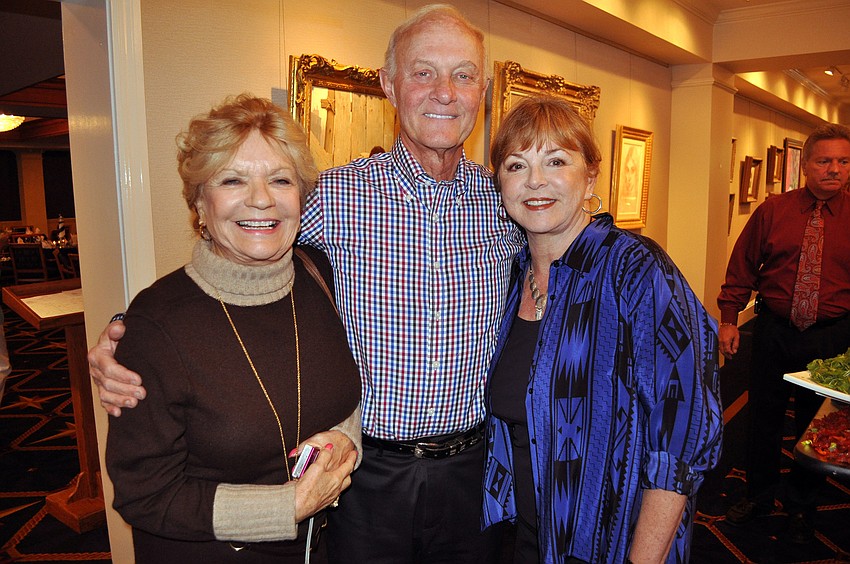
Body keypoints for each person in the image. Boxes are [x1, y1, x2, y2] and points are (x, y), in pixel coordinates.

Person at [90, 5, 523, 562]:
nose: (445, 91)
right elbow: (233, 257)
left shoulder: (503, 203)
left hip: (475, 470)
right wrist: (124, 335)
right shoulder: (330, 196)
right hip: (361, 475)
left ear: (481, 92)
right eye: (423, 72)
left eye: (463, 75)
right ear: (389, 85)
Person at [104, 94, 362, 563]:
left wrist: (347, 440)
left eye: (280, 180)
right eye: (232, 179)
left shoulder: (320, 276)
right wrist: (287, 506)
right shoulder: (155, 324)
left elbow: (352, 391)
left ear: (301, 198)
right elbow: (142, 493)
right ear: (200, 202)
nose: (261, 199)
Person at [483, 96, 723, 563]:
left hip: (614, 543)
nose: (535, 181)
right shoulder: (509, 279)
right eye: (517, 165)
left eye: (556, 160)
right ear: (500, 182)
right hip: (529, 536)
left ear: (591, 173)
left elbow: (684, 435)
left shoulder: (635, 271)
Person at [717, 123, 850, 543]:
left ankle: (801, 503)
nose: (834, 169)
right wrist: (728, 318)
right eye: (824, 161)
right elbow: (742, 266)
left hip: (831, 338)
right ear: (806, 165)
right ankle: (758, 495)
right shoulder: (773, 210)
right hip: (774, 331)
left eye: (843, 161)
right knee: (763, 417)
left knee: (818, 426)